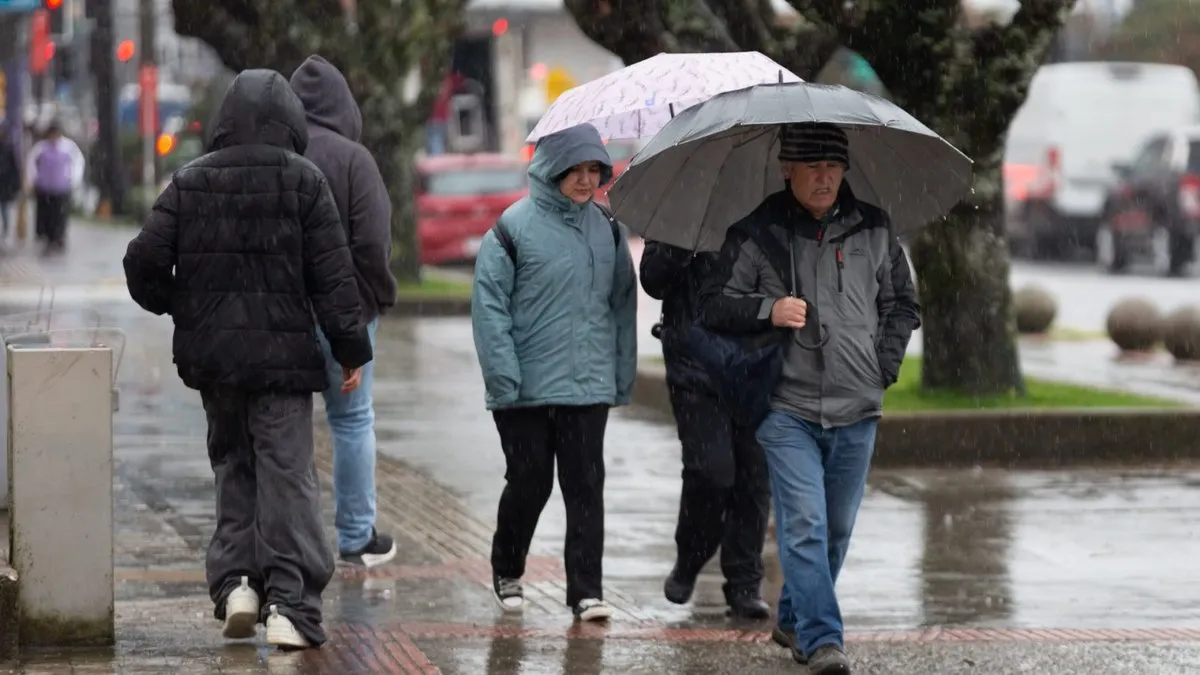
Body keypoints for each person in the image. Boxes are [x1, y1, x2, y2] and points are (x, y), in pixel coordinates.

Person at [122, 69, 373, 651]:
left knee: (233, 466)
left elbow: (142, 264)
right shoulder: (305, 182)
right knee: (287, 478)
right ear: (292, 122)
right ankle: (291, 603)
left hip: (216, 364)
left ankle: (237, 583)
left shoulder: (190, 182)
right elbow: (334, 279)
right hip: (283, 363)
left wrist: (185, 305)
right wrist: (351, 349)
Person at [698, 123, 920, 674]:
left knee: (837, 530)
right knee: (805, 526)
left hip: (858, 406)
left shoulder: (874, 227)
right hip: (785, 407)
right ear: (786, 169)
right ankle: (824, 642)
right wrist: (767, 311)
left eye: (833, 166)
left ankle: (795, 619)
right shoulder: (757, 232)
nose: (824, 178)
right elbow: (712, 305)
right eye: (812, 167)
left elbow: (901, 306)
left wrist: (881, 368)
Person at [471, 122, 638, 623]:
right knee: (530, 482)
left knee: (586, 486)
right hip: (523, 390)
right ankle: (507, 565)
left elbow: (621, 307)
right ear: (551, 169)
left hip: (587, 385)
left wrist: (620, 375)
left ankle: (586, 590)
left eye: (595, 170)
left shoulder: (608, 229)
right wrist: (504, 379)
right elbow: (490, 308)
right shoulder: (510, 229)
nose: (587, 181)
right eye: (576, 170)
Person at [290, 54, 399, 569]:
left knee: (285, 428)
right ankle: (356, 538)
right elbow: (372, 243)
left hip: (285, 315)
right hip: (346, 314)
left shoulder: (279, 153)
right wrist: (376, 298)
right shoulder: (355, 160)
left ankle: (292, 540)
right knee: (352, 422)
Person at [639, 241, 771, 619]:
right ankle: (690, 557)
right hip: (695, 369)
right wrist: (683, 248)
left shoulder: (769, 211)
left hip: (756, 365)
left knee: (754, 477)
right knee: (711, 472)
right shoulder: (684, 210)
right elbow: (654, 281)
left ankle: (745, 581)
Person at [24, 120, 84, 254]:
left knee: (60, 215)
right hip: (44, 188)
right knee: (46, 215)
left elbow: (78, 163)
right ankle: (48, 238)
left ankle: (59, 238)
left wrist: (74, 180)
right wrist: (32, 180)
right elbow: (31, 164)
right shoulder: (41, 147)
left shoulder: (69, 147)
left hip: (61, 188)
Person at [0, 122, 20, 243]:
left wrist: (15, 186)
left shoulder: (9, 149)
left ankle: (5, 233)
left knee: (5, 210)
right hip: (4, 185)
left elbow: (14, 169)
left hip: (5, 186)